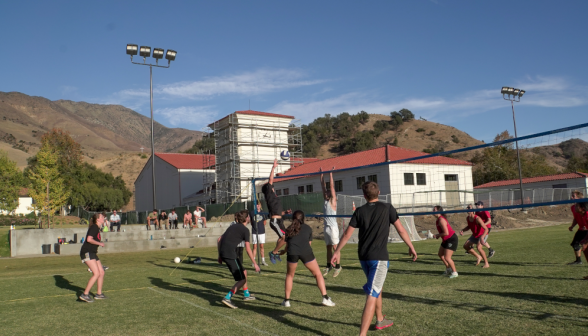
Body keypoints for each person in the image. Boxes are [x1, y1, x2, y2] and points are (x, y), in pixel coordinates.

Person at [331, 181, 418, 335]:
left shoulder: (359, 210)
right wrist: (411, 246)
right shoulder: (387, 208)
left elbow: (346, 234)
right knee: (372, 293)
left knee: (377, 286)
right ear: (378, 193)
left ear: (364, 196)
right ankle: (362, 334)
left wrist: (337, 251)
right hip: (378, 258)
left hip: (363, 257)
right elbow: (401, 230)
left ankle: (379, 319)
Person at [281, 210, 336, 308]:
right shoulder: (307, 228)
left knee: (290, 275)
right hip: (306, 252)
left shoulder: (289, 229)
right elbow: (309, 244)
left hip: (292, 252)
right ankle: (325, 298)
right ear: (303, 218)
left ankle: (286, 301)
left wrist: (284, 251)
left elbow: (287, 245)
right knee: (318, 274)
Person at [217, 210, 260, 309]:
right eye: (249, 216)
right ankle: (227, 298)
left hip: (224, 253)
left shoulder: (232, 226)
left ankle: (246, 295)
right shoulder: (245, 230)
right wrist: (255, 263)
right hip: (230, 254)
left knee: (244, 272)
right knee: (242, 279)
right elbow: (248, 249)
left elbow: (219, 239)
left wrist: (219, 256)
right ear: (247, 219)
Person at [265, 159, 292, 264]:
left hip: (279, 221)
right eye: (271, 186)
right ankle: (273, 252)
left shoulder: (275, 196)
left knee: (283, 238)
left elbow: (278, 212)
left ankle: (275, 253)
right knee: (285, 238)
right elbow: (270, 180)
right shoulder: (269, 194)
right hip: (275, 222)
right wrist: (273, 167)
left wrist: (285, 212)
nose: (273, 187)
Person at [79, 213, 107, 303]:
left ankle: (99, 294)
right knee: (96, 273)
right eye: (102, 217)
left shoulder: (97, 228)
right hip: (87, 252)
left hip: (93, 253)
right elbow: (89, 239)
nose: (104, 218)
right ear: (97, 219)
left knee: (101, 272)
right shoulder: (94, 227)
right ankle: (85, 294)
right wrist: (100, 243)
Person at [320, 167, 342, 277]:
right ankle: (328, 266)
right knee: (328, 247)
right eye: (327, 192)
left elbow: (331, 187)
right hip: (326, 227)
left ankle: (338, 266)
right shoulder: (325, 200)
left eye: (328, 192)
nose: (327, 192)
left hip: (333, 227)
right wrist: (321, 174)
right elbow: (323, 187)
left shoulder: (333, 201)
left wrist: (331, 173)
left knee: (335, 247)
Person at [433, 206, 458, 278]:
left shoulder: (441, 220)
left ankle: (455, 272)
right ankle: (448, 268)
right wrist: (438, 236)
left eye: (434, 210)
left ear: (439, 211)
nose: (432, 211)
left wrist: (438, 235)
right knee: (440, 254)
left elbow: (446, 233)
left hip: (451, 239)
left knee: (447, 257)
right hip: (446, 239)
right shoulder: (438, 220)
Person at [568, 191, 587, 265]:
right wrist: (572, 226)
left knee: (585, 247)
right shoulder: (573, 207)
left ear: (579, 197)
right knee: (575, 244)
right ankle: (578, 260)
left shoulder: (585, 206)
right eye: (571, 196)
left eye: (573, 196)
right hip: (581, 229)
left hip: (586, 229)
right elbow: (576, 218)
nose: (571, 197)